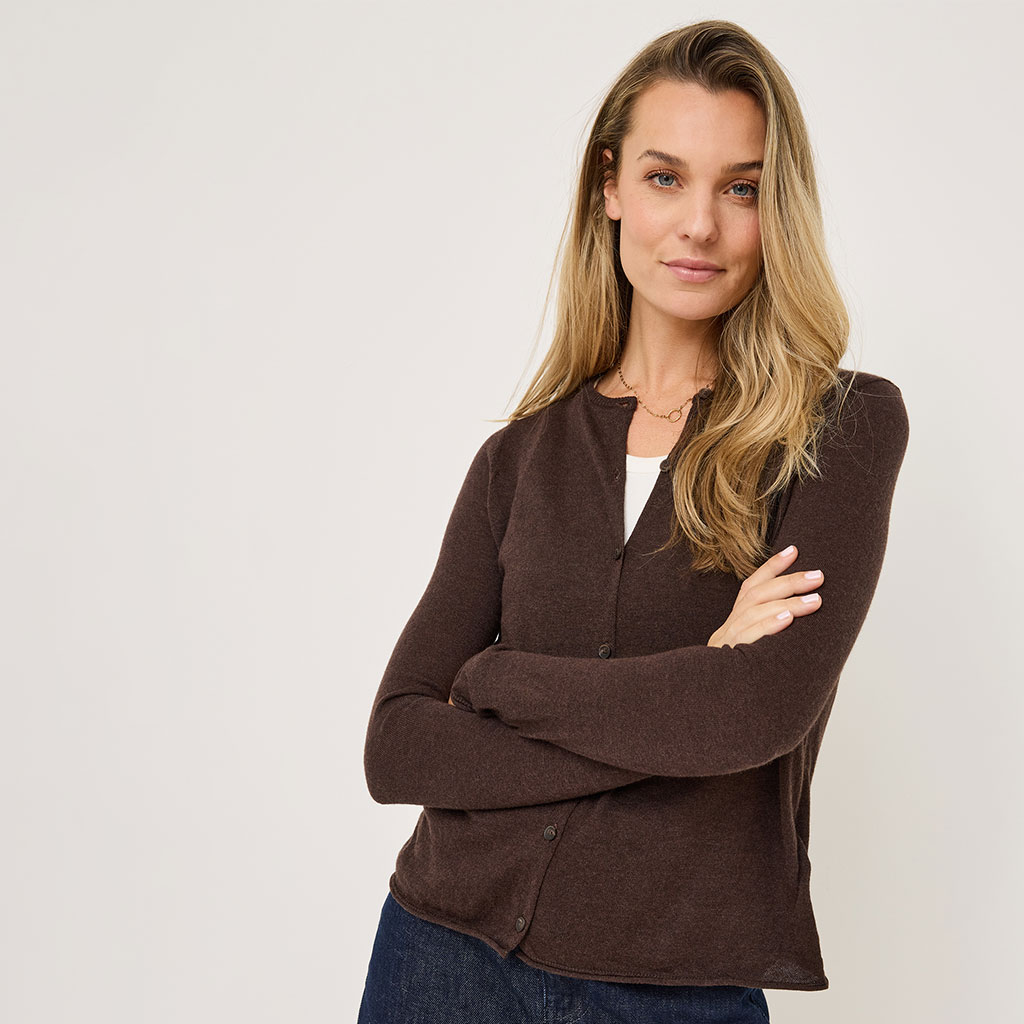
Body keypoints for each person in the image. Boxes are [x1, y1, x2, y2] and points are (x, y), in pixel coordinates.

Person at [359, 18, 909, 1024]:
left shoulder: (839, 428)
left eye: (739, 187)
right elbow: (397, 748)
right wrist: (696, 677)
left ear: (772, 211)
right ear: (608, 187)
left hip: (669, 987)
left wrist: (494, 684)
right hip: (439, 956)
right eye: (665, 177)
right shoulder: (518, 458)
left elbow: (755, 713)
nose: (698, 223)